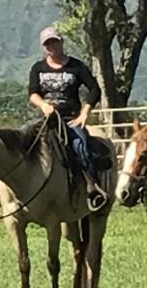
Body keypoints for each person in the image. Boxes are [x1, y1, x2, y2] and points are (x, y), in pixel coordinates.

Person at [28, 26, 107, 211]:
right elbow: (32, 93)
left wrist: (85, 113)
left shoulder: (76, 67)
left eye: (54, 42)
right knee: (21, 141)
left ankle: (92, 187)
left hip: (71, 119)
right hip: (46, 120)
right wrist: (44, 105)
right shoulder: (37, 68)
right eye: (47, 44)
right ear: (43, 47)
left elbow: (95, 89)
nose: (51, 46)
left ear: (61, 42)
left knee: (81, 146)